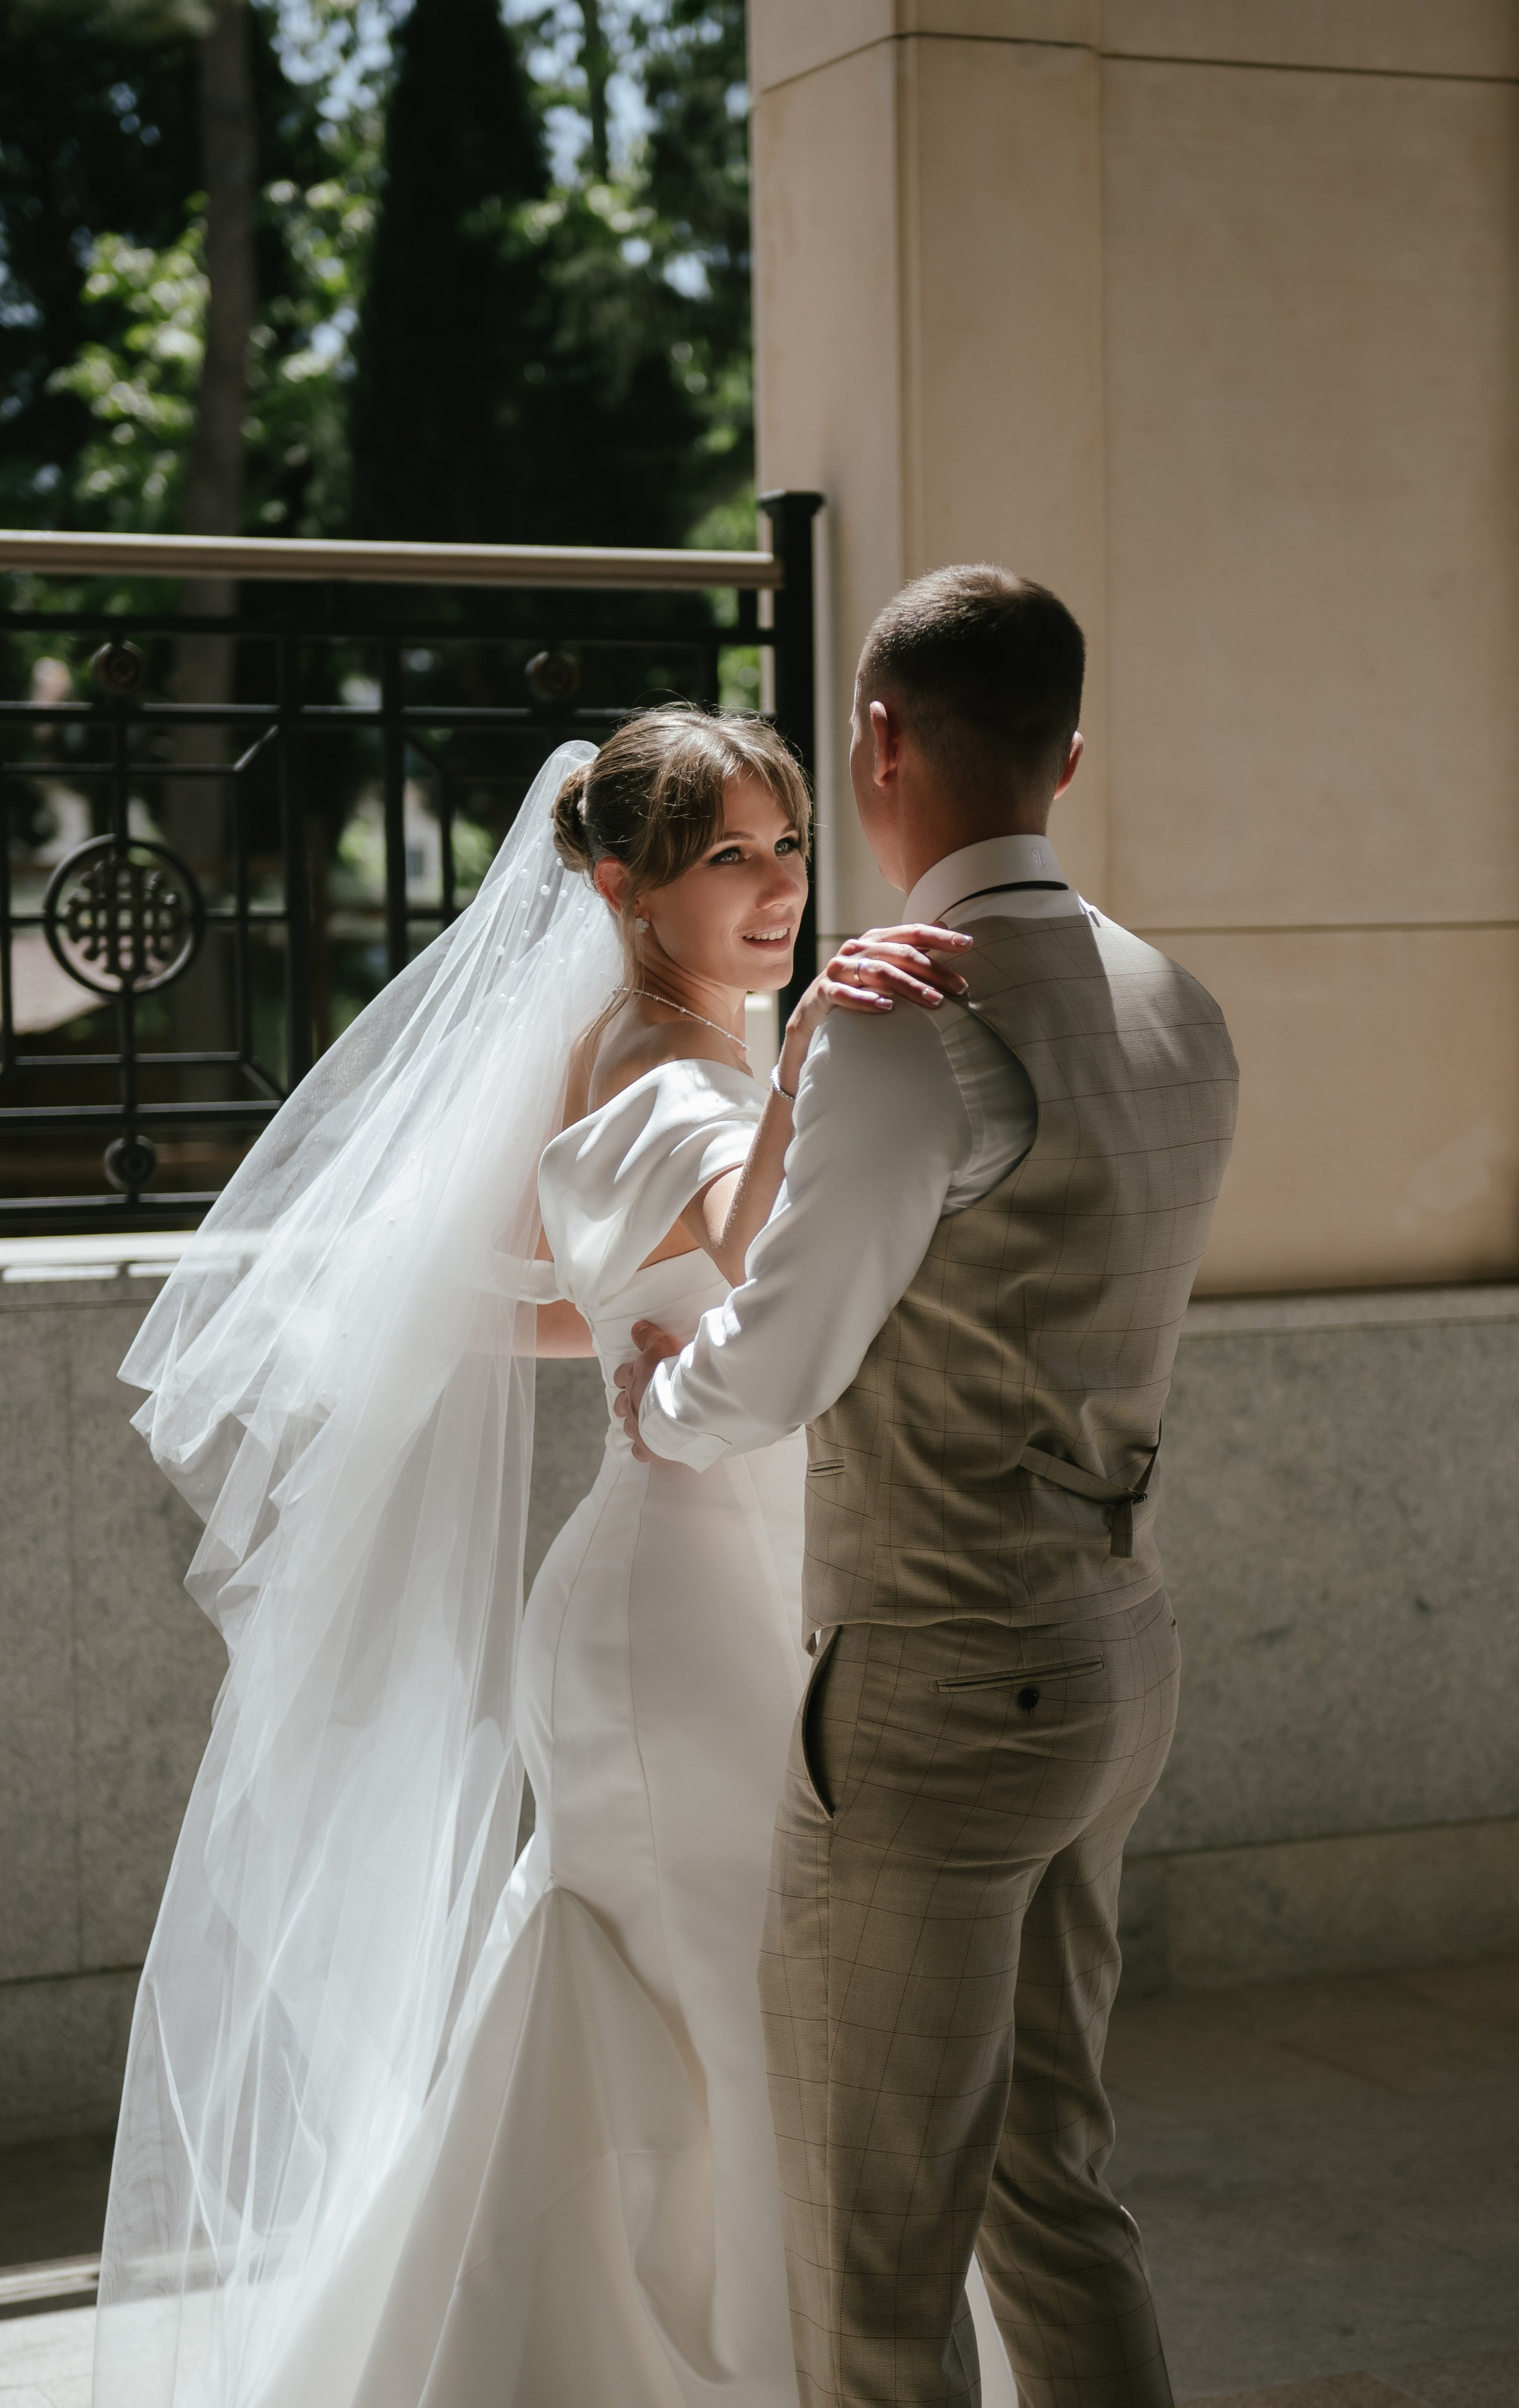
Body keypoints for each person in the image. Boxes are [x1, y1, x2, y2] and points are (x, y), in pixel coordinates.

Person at [97, 707, 1009, 2408]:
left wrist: (622, 1343)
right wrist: (814, 1054)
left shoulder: (658, 1044)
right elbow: (753, 1238)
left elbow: (551, 1281)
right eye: (725, 855)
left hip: (704, 1586)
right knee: (745, 1997)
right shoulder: (671, 1060)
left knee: (700, 1993)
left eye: (791, 846)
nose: (778, 887)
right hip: (683, 1622)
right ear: (618, 881)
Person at [617, 569, 1241, 2408]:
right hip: (1116, 1651)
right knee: (1057, 2188)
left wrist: (663, 1397)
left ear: (880, 739)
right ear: (1067, 749)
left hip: (941, 1682)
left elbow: (775, 1364)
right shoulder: (1178, 999)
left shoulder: (910, 1015)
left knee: (868, 2260)